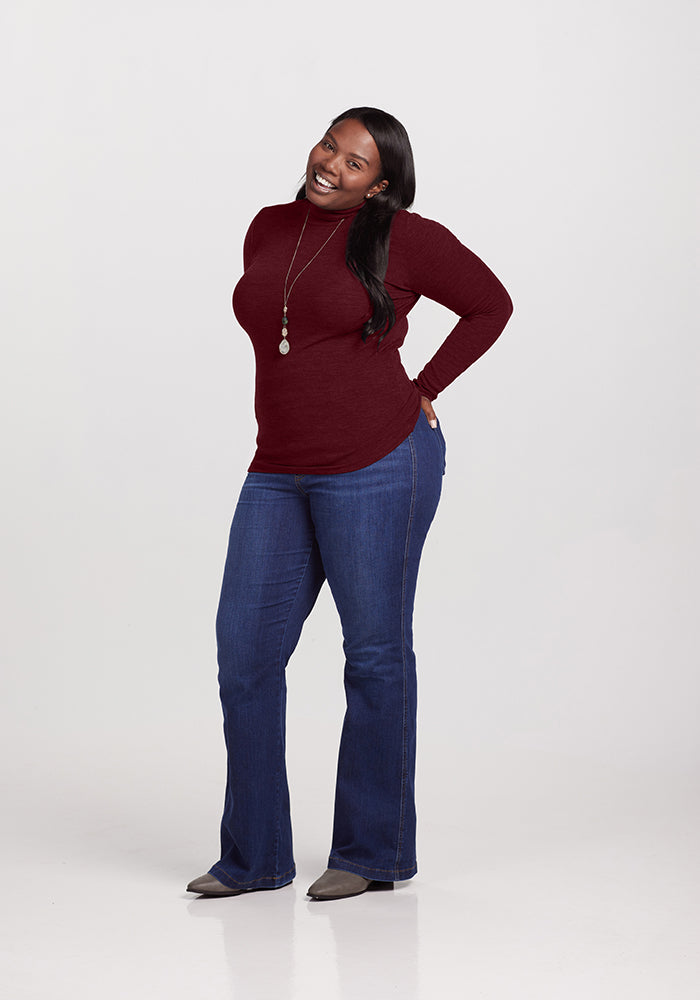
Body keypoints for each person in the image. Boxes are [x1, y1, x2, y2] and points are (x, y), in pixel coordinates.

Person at [186, 107, 512, 901]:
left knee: (371, 656)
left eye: (356, 161)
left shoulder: (407, 237)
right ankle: (254, 856)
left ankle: (371, 854)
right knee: (246, 656)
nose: (332, 163)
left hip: (379, 463)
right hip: (277, 469)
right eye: (330, 143)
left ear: (382, 184)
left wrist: (426, 385)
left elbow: (490, 304)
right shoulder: (267, 226)